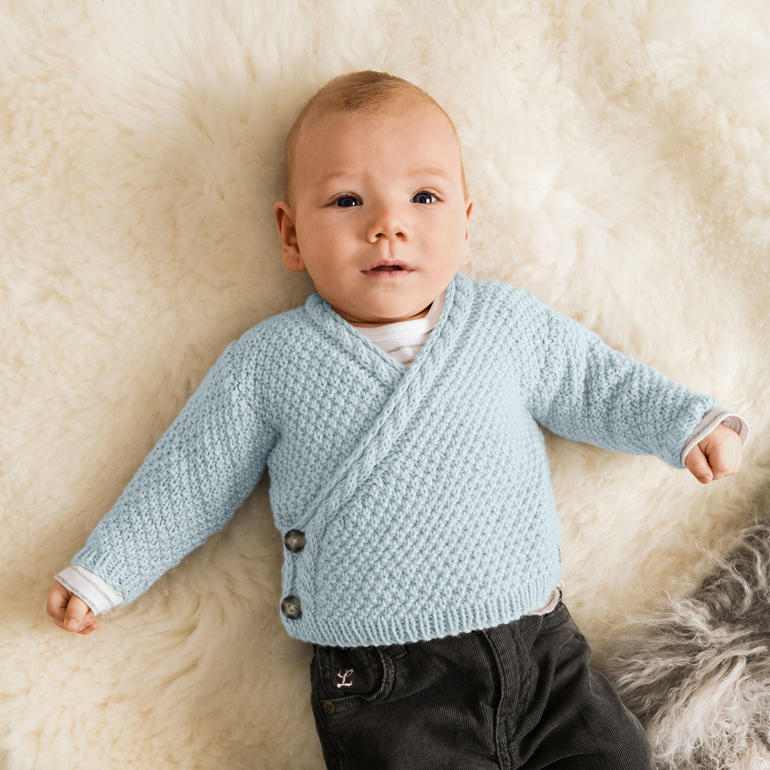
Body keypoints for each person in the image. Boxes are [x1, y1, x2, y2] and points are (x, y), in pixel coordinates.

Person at [47, 70, 750, 769]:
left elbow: (598, 383)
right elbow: (192, 474)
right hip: (387, 683)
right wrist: (107, 572)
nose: (388, 224)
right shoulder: (271, 361)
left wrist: (685, 423)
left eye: (424, 196)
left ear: (467, 225)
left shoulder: (506, 326)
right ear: (291, 235)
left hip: (540, 654)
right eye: (347, 200)